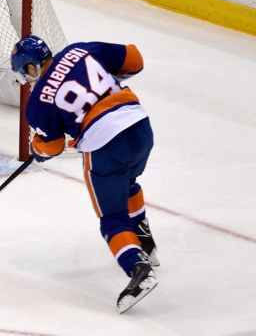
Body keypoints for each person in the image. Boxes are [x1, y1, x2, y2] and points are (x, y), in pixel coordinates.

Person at [10, 35, 159, 313]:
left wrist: (37, 149)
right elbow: (134, 59)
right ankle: (145, 242)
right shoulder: (79, 50)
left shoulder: (37, 104)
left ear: (31, 68)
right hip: (139, 126)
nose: (30, 80)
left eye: (26, 74)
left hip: (104, 145)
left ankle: (138, 268)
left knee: (112, 220)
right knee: (128, 183)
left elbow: (52, 146)